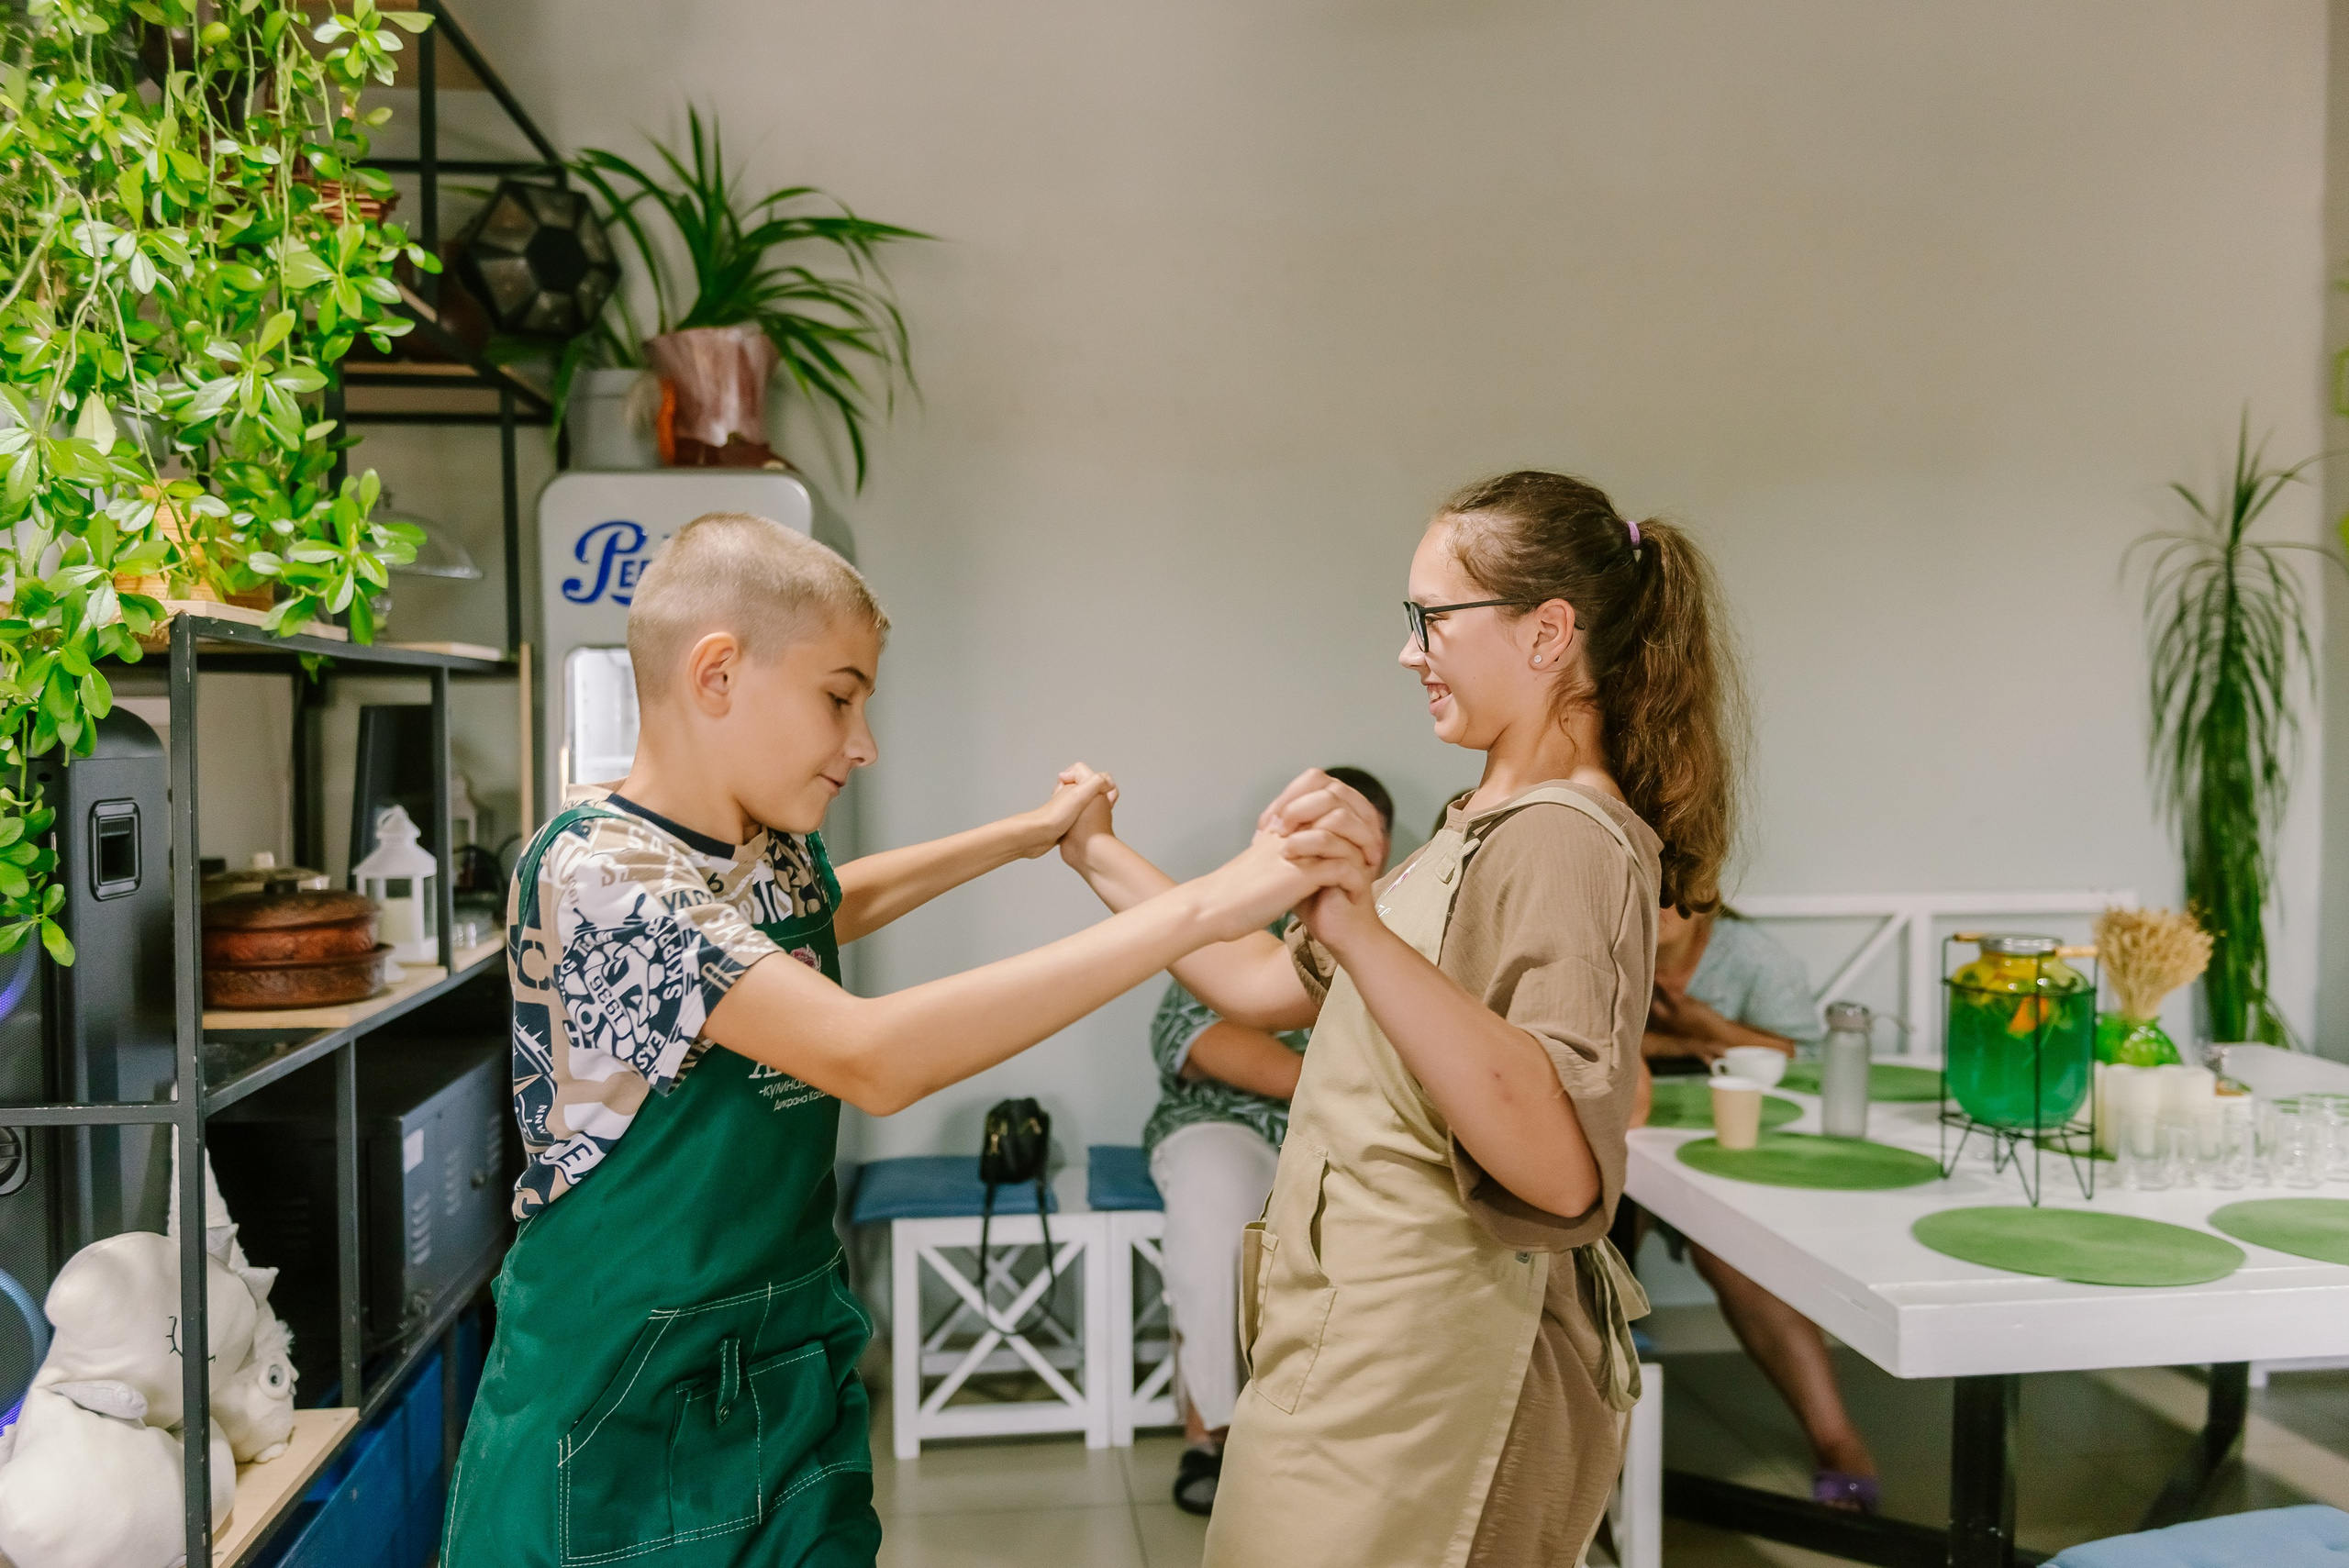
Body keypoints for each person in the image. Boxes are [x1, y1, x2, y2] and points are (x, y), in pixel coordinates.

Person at [440, 513, 1366, 1568]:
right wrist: (1204, 906)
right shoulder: (601, 872)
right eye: (839, 697)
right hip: (621, 1396)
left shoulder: (766, 848)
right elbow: (868, 1056)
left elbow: (825, 908)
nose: (862, 742)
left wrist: (1023, 836)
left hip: (783, 1352)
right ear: (717, 673)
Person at [1058, 471, 1743, 1567]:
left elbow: (1561, 1169)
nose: (1408, 650)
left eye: (1432, 618)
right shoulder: (1474, 822)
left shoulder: (1567, 839)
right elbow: (1259, 981)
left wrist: (1358, 928)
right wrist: (1094, 849)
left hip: (1437, 1373)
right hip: (1358, 1340)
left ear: (1546, 632)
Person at [1142, 767, 1395, 1517]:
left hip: (1359, 1137)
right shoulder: (1237, 927)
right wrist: (1336, 1076)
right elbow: (1194, 1039)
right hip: (1230, 1123)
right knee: (1215, 1201)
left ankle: (1351, 1439)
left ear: (1378, 848)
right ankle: (1211, 1429)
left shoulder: (1401, 934)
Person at [1630, 908, 1882, 1512]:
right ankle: (1591, 1408)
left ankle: (1837, 1440)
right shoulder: (1596, 938)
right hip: (1623, 1129)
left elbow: (1810, 1058)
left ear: (1706, 889)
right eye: (1650, 883)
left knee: (1738, 1253)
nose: (1661, 901)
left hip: (1736, 1142)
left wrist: (1705, 1023)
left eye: (1676, 886)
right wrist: (1697, 1041)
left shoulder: (1754, 958)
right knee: (1591, 1224)